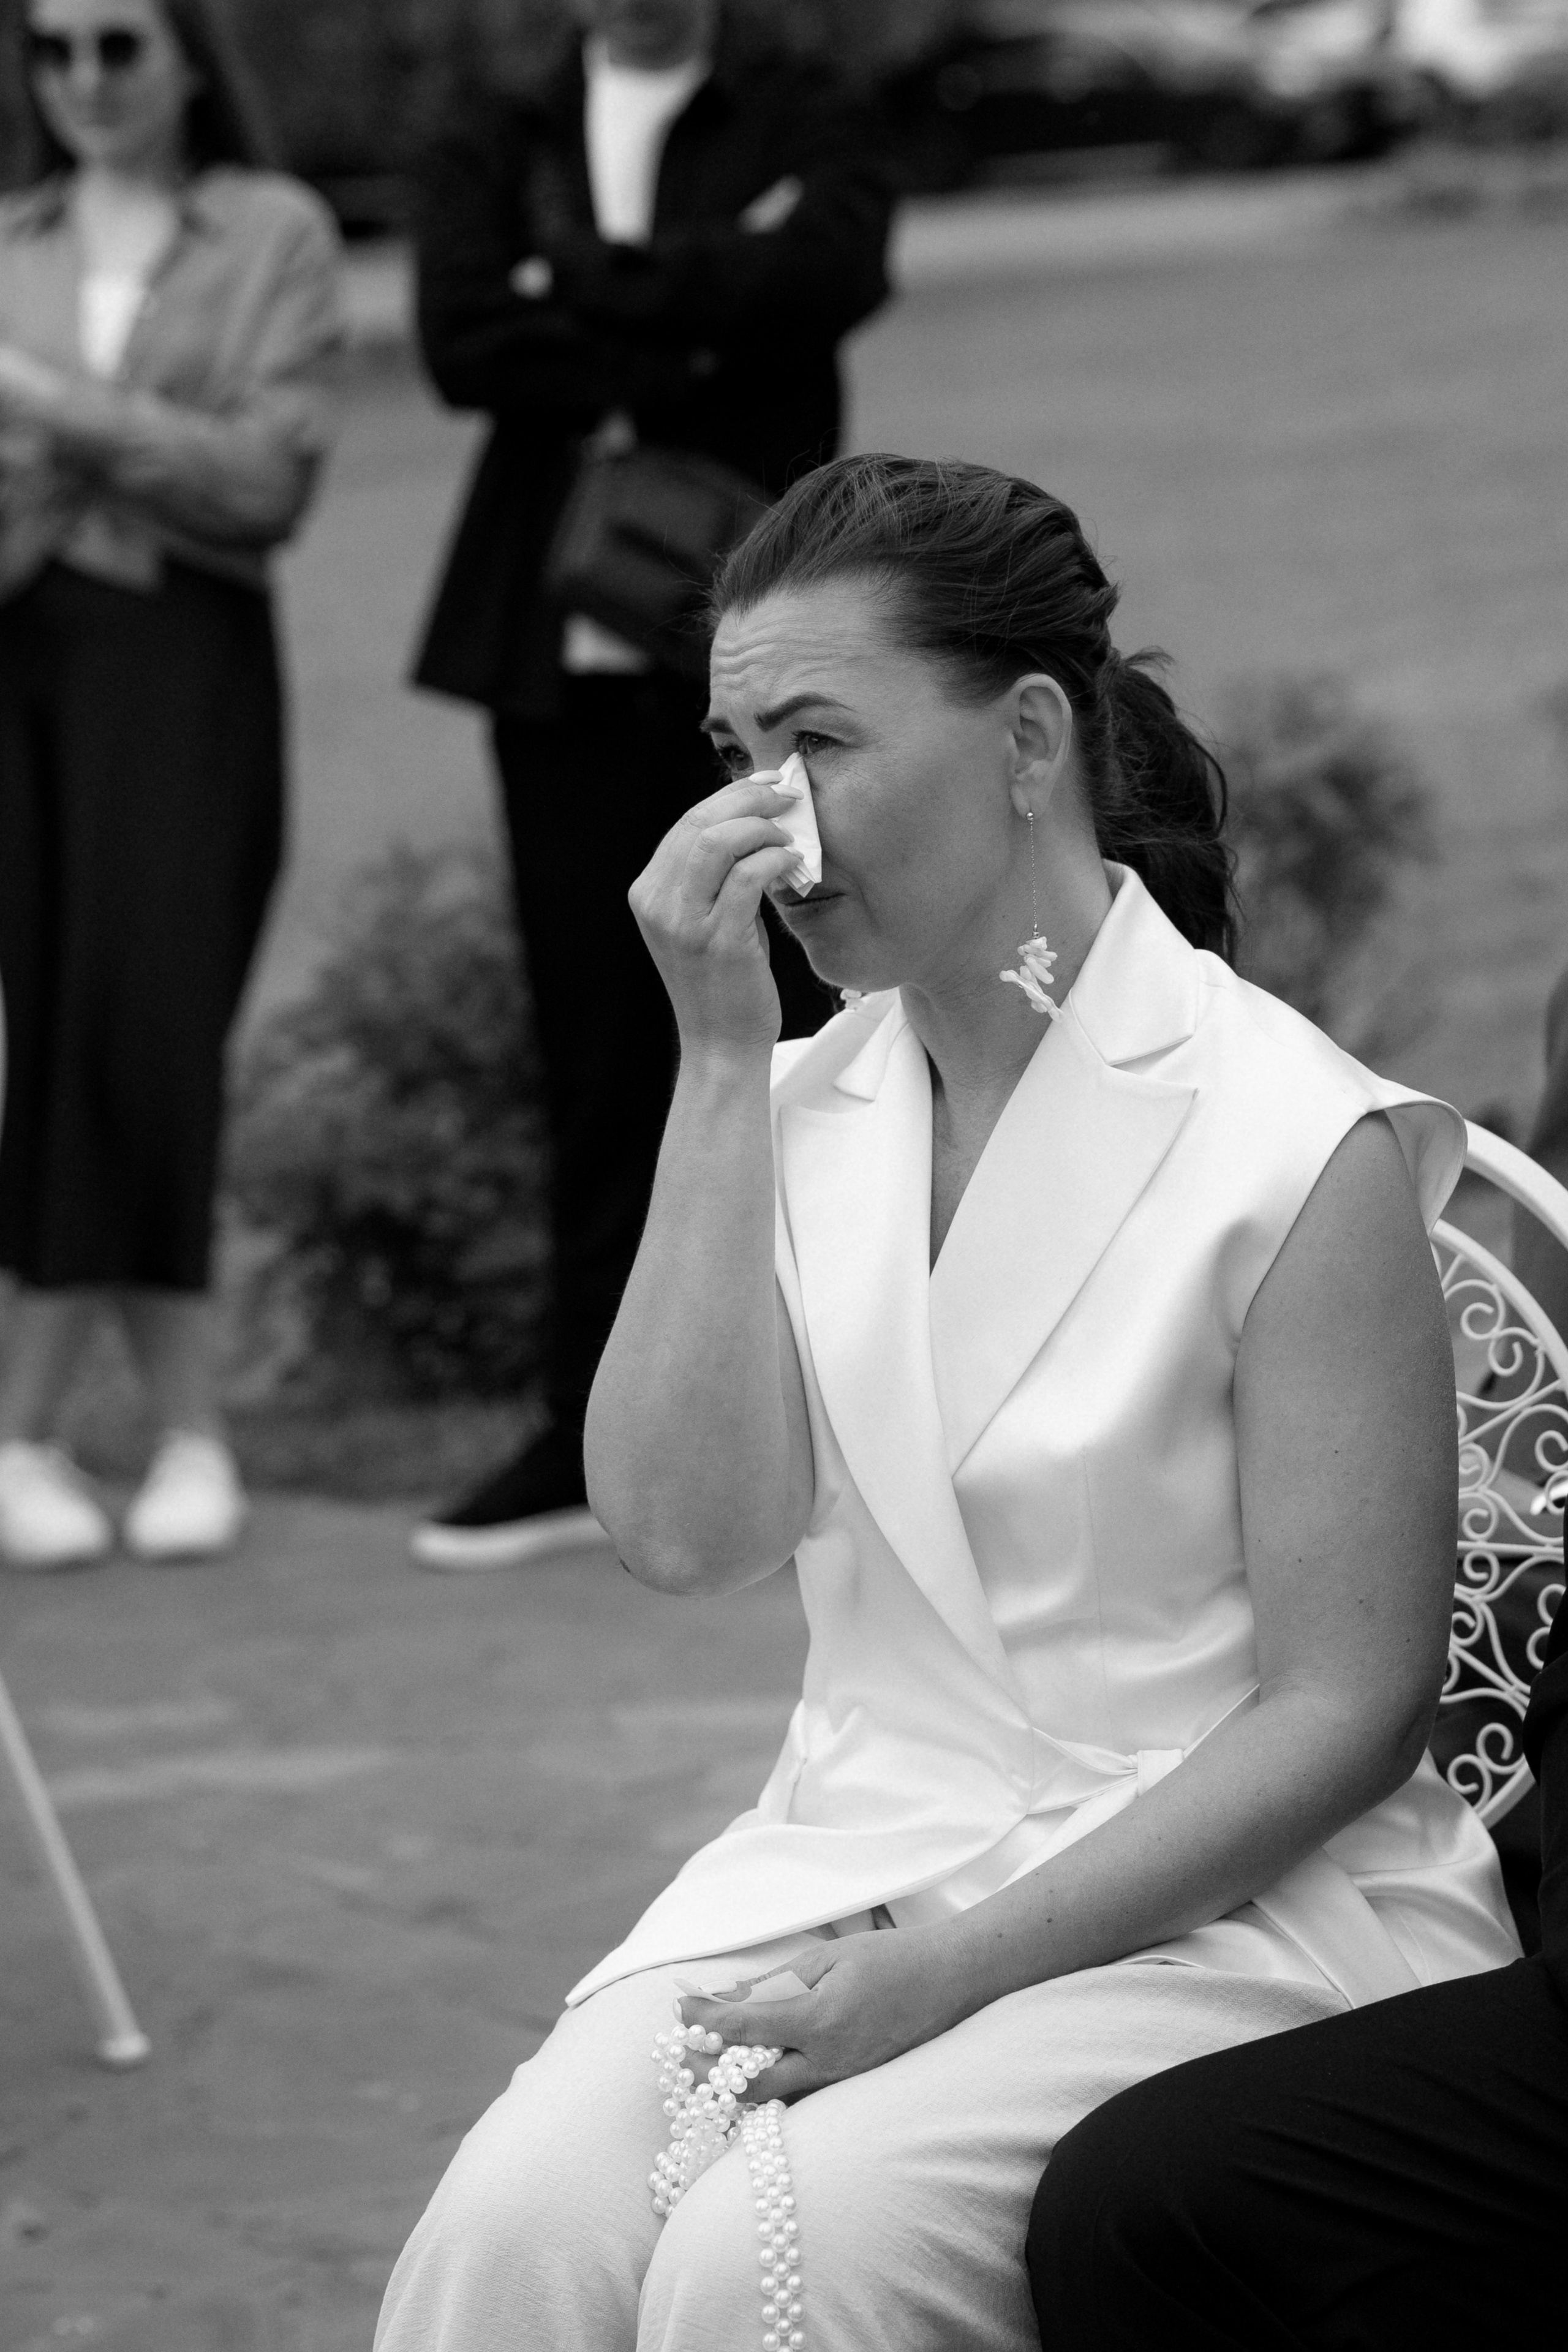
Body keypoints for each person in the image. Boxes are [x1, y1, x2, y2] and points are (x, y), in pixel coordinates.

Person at [374, 453, 1520, 2352]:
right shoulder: (802, 1107)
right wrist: (723, 1064)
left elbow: (1345, 1704)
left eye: (818, 740)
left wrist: (958, 1975)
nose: (773, 823)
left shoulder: (1284, 1138)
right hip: (857, 1865)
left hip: (1237, 1915)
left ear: (1028, 739)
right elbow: (681, 1533)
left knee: (788, 2238)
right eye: (736, 748)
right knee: (518, 2227)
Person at [407, 0, 893, 1572]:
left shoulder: (797, 100)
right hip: (557, 659)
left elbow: (828, 274)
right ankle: (580, 1421)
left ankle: (841, 1398)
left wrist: (586, 288)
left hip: (761, 652)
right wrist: (700, 301)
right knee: (592, 1029)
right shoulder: (500, 129)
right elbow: (462, 340)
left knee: (821, 1007)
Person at [0, 0, 341, 1568]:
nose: (82, 79)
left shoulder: (271, 228)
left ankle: (55, 1425)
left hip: (184, 667)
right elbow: (202, 463)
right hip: (23, 658)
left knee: (148, 1020)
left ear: (189, 55)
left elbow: (267, 481)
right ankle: (113, 1429)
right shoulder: (12, 233)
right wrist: (159, 448)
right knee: (57, 1024)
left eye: (116, 45)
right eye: (52, 47)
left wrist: (58, 414)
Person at [1025, 1576, 1567, 2348]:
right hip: (890, 1840)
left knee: (1124, 2198)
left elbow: (1354, 1710)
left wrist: (942, 1971)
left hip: (1276, 1866)